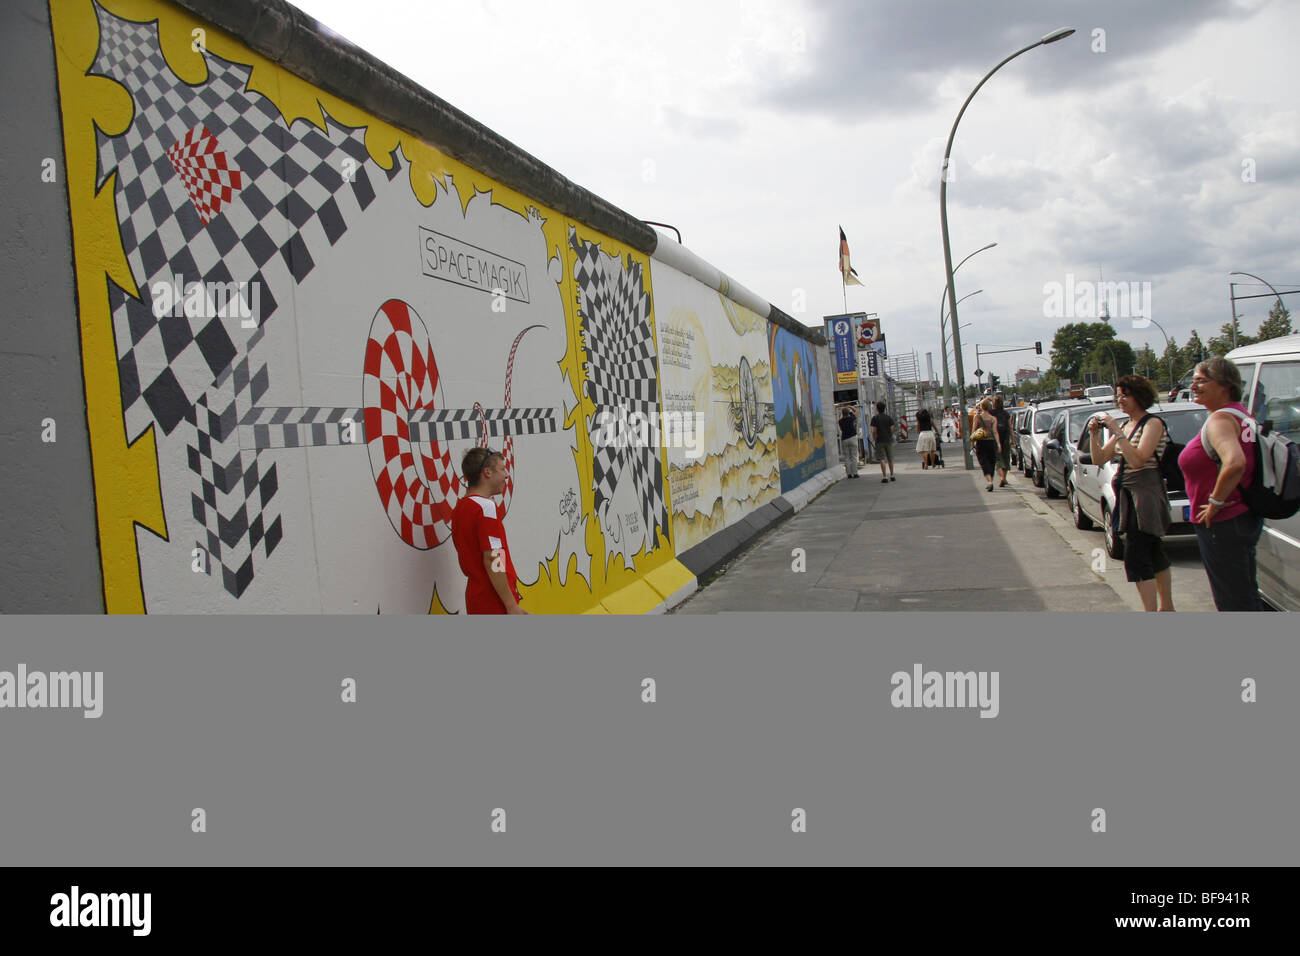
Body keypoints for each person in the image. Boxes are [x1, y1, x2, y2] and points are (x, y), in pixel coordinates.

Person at [1177, 357, 1262, 611]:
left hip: (1223, 522)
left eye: (1201, 380)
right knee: (1244, 593)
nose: (1194, 386)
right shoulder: (1240, 413)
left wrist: (1214, 502)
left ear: (1224, 384)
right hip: (1242, 516)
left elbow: (1235, 463)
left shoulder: (1220, 420)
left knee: (1232, 602)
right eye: (1193, 381)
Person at [1088, 375, 1174, 612]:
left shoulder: (1152, 424)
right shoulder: (1125, 425)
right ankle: (1166, 608)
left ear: (1139, 395)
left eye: (1125, 394)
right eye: (1118, 395)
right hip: (1127, 495)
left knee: (1137, 557)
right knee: (1154, 551)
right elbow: (1100, 458)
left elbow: (1138, 459)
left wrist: (1118, 431)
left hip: (1144, 495)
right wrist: (1095, 435)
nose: (1120, 399)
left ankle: (1154, 609)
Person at [451, 447, 528, 614]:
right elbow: (493, 557)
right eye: (502, 469)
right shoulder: (486, 507)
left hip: (475, 598)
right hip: (494, 600)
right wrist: (511, 605)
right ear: (487, 473)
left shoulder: (459, 509)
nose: (506, 475)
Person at [969, 398, 1001, 491]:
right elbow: (995, 432)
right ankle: (990, 480)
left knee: (984, 463)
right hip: (991, 443)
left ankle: (990, 482)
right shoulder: (993, 419)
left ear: (981, 407)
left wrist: (972, 443)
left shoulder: (977, 417)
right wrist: (998, 444)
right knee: (991, 463)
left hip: (981, 443)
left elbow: (973, 431)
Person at [869, 401, 896, 483]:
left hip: (879, 440)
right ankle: (892, 475)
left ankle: (884, 477)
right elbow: (892, 428)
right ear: (884, 408)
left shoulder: (875, 418)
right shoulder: (889, 417)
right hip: (888, 440)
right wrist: (889, 435)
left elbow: (874, 431)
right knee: (890, 459)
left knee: (882, 459)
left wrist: (875, 438)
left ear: (877, 408)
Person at [992, 394, 1013, 487]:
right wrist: (1013, 438)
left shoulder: (991, 413)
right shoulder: (1006, 414)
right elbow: (1010, 427)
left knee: (998, 459)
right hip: (1005, 438)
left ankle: (1001, 478)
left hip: (995, 439)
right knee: (1006, 458)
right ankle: (1004, 478)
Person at [838, 406, 860, 479]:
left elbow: (841, 427)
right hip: (853, 438)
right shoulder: (851, 418)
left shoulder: (840, 421)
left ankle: (849, 474)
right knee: (853, 456)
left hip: (844, 439)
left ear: (842, 413)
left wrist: (843, 413)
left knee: (847, 457)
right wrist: (850, 406)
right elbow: (856, 411)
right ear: (848, 413)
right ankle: (855, 473)